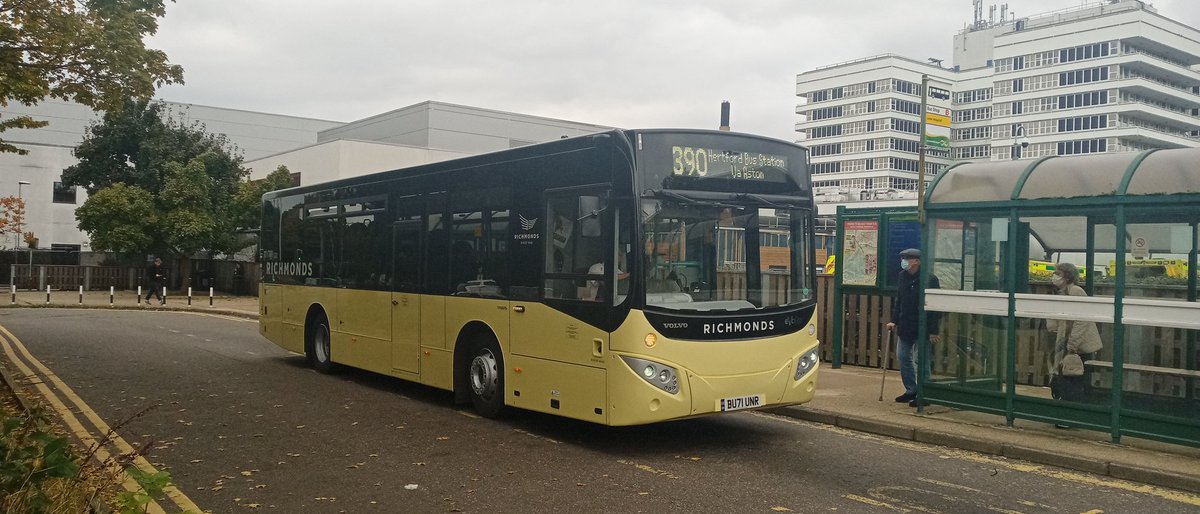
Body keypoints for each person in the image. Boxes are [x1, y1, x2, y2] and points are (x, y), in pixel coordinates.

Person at [885, 248, 940, 407]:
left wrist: (933, 329)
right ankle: (912, 390)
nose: (904, 261)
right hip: (905, 324)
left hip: (922, 326)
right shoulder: (902, 277)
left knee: (921, 360)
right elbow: (899, 301)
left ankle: (924, 392)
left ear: (916, 261)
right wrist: (894, 321)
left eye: (907, 258)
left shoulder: (929, 279)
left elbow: (934, 306)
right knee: (903, 357)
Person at [1047, 262, 1103, 405]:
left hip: (1077, 346)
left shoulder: (1076, 291)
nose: (1055, 276)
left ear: (1067, 276)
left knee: (1073, 378)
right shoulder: (1061, 293)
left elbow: (1082, 320)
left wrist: (1072, 344)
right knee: (1067, 377)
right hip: (1068, 343)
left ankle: (1072, 409)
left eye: (1058, 274)